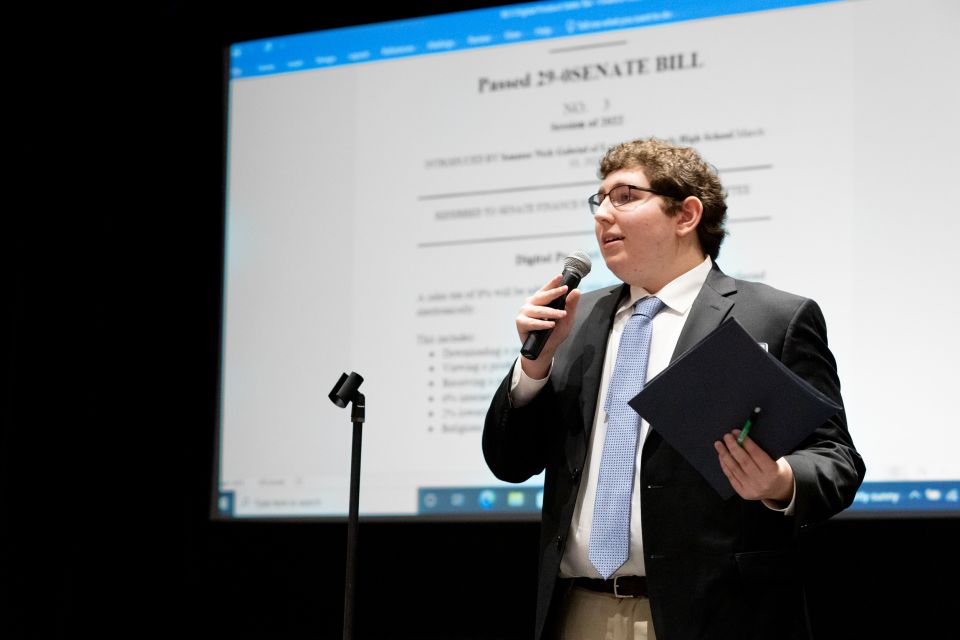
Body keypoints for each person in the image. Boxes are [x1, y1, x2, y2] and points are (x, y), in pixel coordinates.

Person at [483, 138, 865, 640]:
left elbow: (837, 461)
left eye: (625, 196)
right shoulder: (575, 321)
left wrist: (778, 481)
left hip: (715, 617)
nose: (602, 215)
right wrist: (534, 366)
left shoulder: (771, 317)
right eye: (599, 200)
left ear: (686, 214)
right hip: (577, 610)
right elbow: (511, 463)